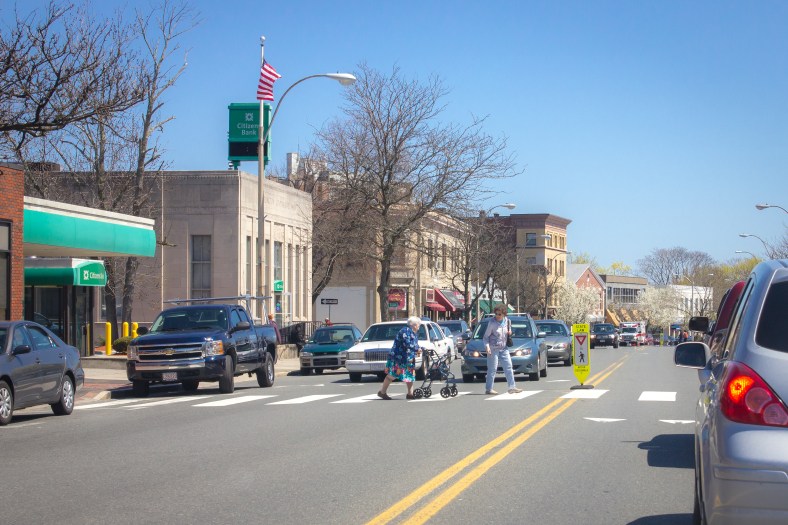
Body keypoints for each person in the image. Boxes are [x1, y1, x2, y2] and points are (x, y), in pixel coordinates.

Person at [378, 316, 422, 400]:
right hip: (399, 358)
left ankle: (410, 394)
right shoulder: (405, 331)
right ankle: (382, 392)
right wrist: (418, 349)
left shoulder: (413, 333)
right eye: (418, 325)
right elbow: (407, 344)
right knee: (393, 374)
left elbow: (414, 344)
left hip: (408, 358)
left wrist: (419, 348)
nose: (419, 327)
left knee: (409, 375)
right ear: (414, 325)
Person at [483, 304, 522, 395]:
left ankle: (512, 387)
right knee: (492, 369)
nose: (497, 316)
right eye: (496, 314)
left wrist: (510, 333)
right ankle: (489, 389)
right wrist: (487, 347)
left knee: (508, 367)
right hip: (493, 348)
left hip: (504, 348)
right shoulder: (492, 323)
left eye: (499, 314)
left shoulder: (508, 321)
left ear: (504, 314)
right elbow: (485, 337)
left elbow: (509, 332)